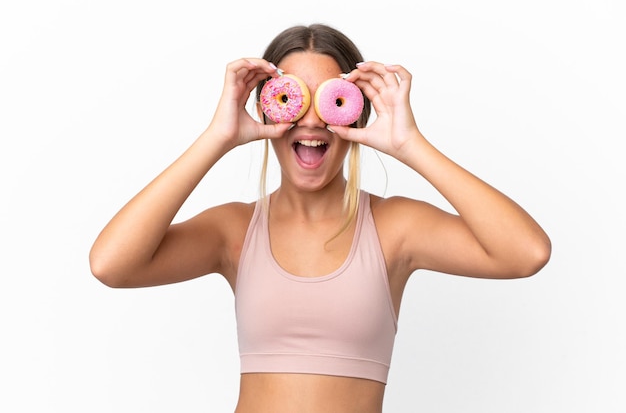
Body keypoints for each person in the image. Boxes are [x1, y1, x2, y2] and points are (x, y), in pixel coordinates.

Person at [89, 23, 551, 413]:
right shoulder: (233, 231)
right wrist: (217, 136)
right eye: (292, 97)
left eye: (329, 100)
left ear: (356, 111)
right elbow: (111, 265)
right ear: (264, 107)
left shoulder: (395, 229)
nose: (310, 120)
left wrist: (411, 145)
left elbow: (526, 253)